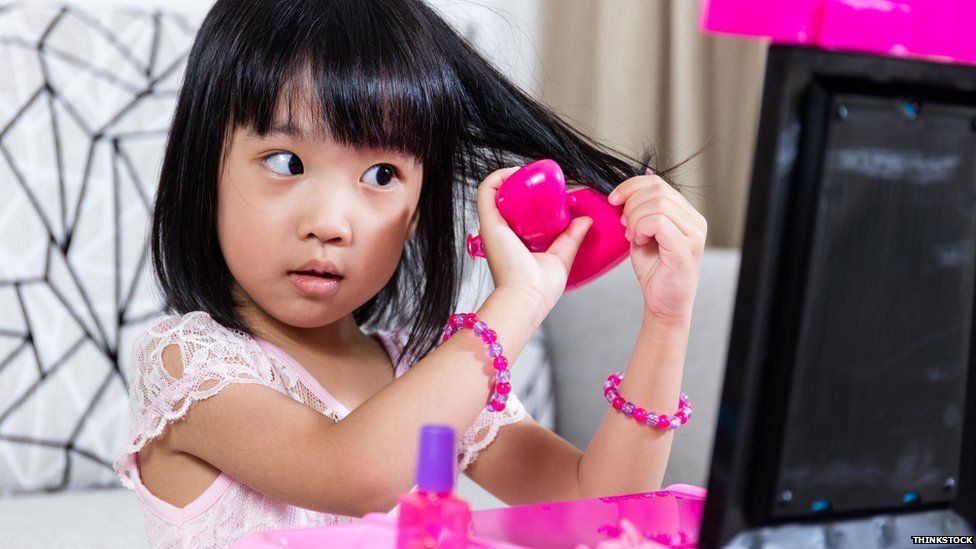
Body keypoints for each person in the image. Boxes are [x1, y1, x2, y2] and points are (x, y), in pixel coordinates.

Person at [112, 0, 708, 546]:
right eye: (286, 162)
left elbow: (599, 506)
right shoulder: (188, 364)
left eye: (380, 176)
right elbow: (352, 471)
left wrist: (667, 316)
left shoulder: (423, 370)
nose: (330, 223)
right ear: (204, 170)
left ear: (417, 211)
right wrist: (519, 299)